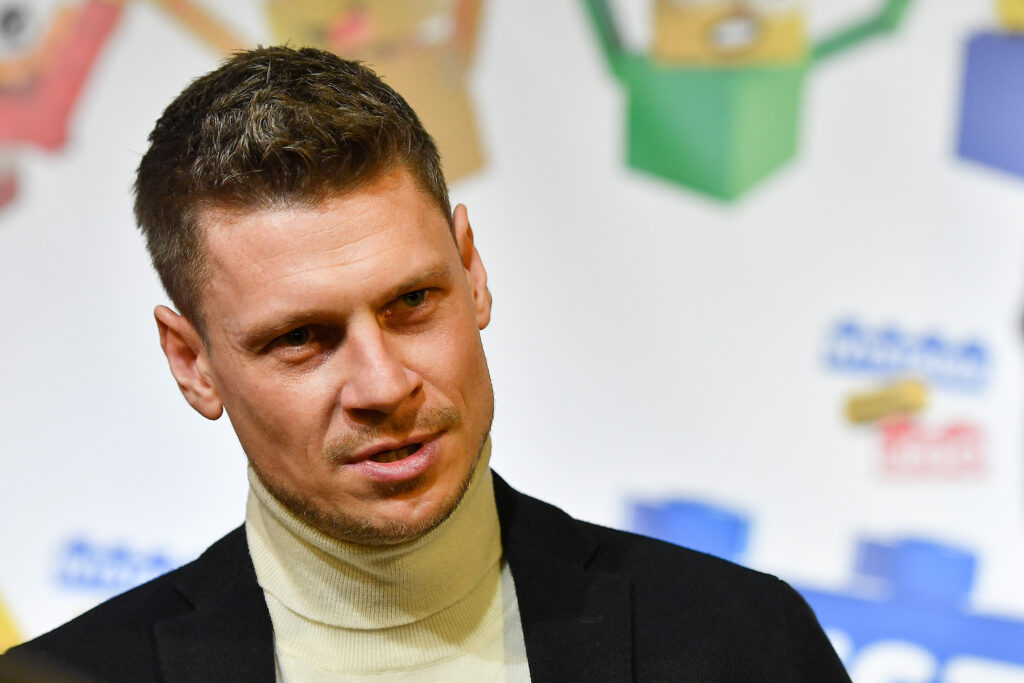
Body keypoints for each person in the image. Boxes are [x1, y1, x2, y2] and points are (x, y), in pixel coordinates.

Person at [2, 46, 850, 682]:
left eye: (412, 301)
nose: (383, 385)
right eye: (300, 338)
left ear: (472, 271)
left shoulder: (743, 642)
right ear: (193, 363)